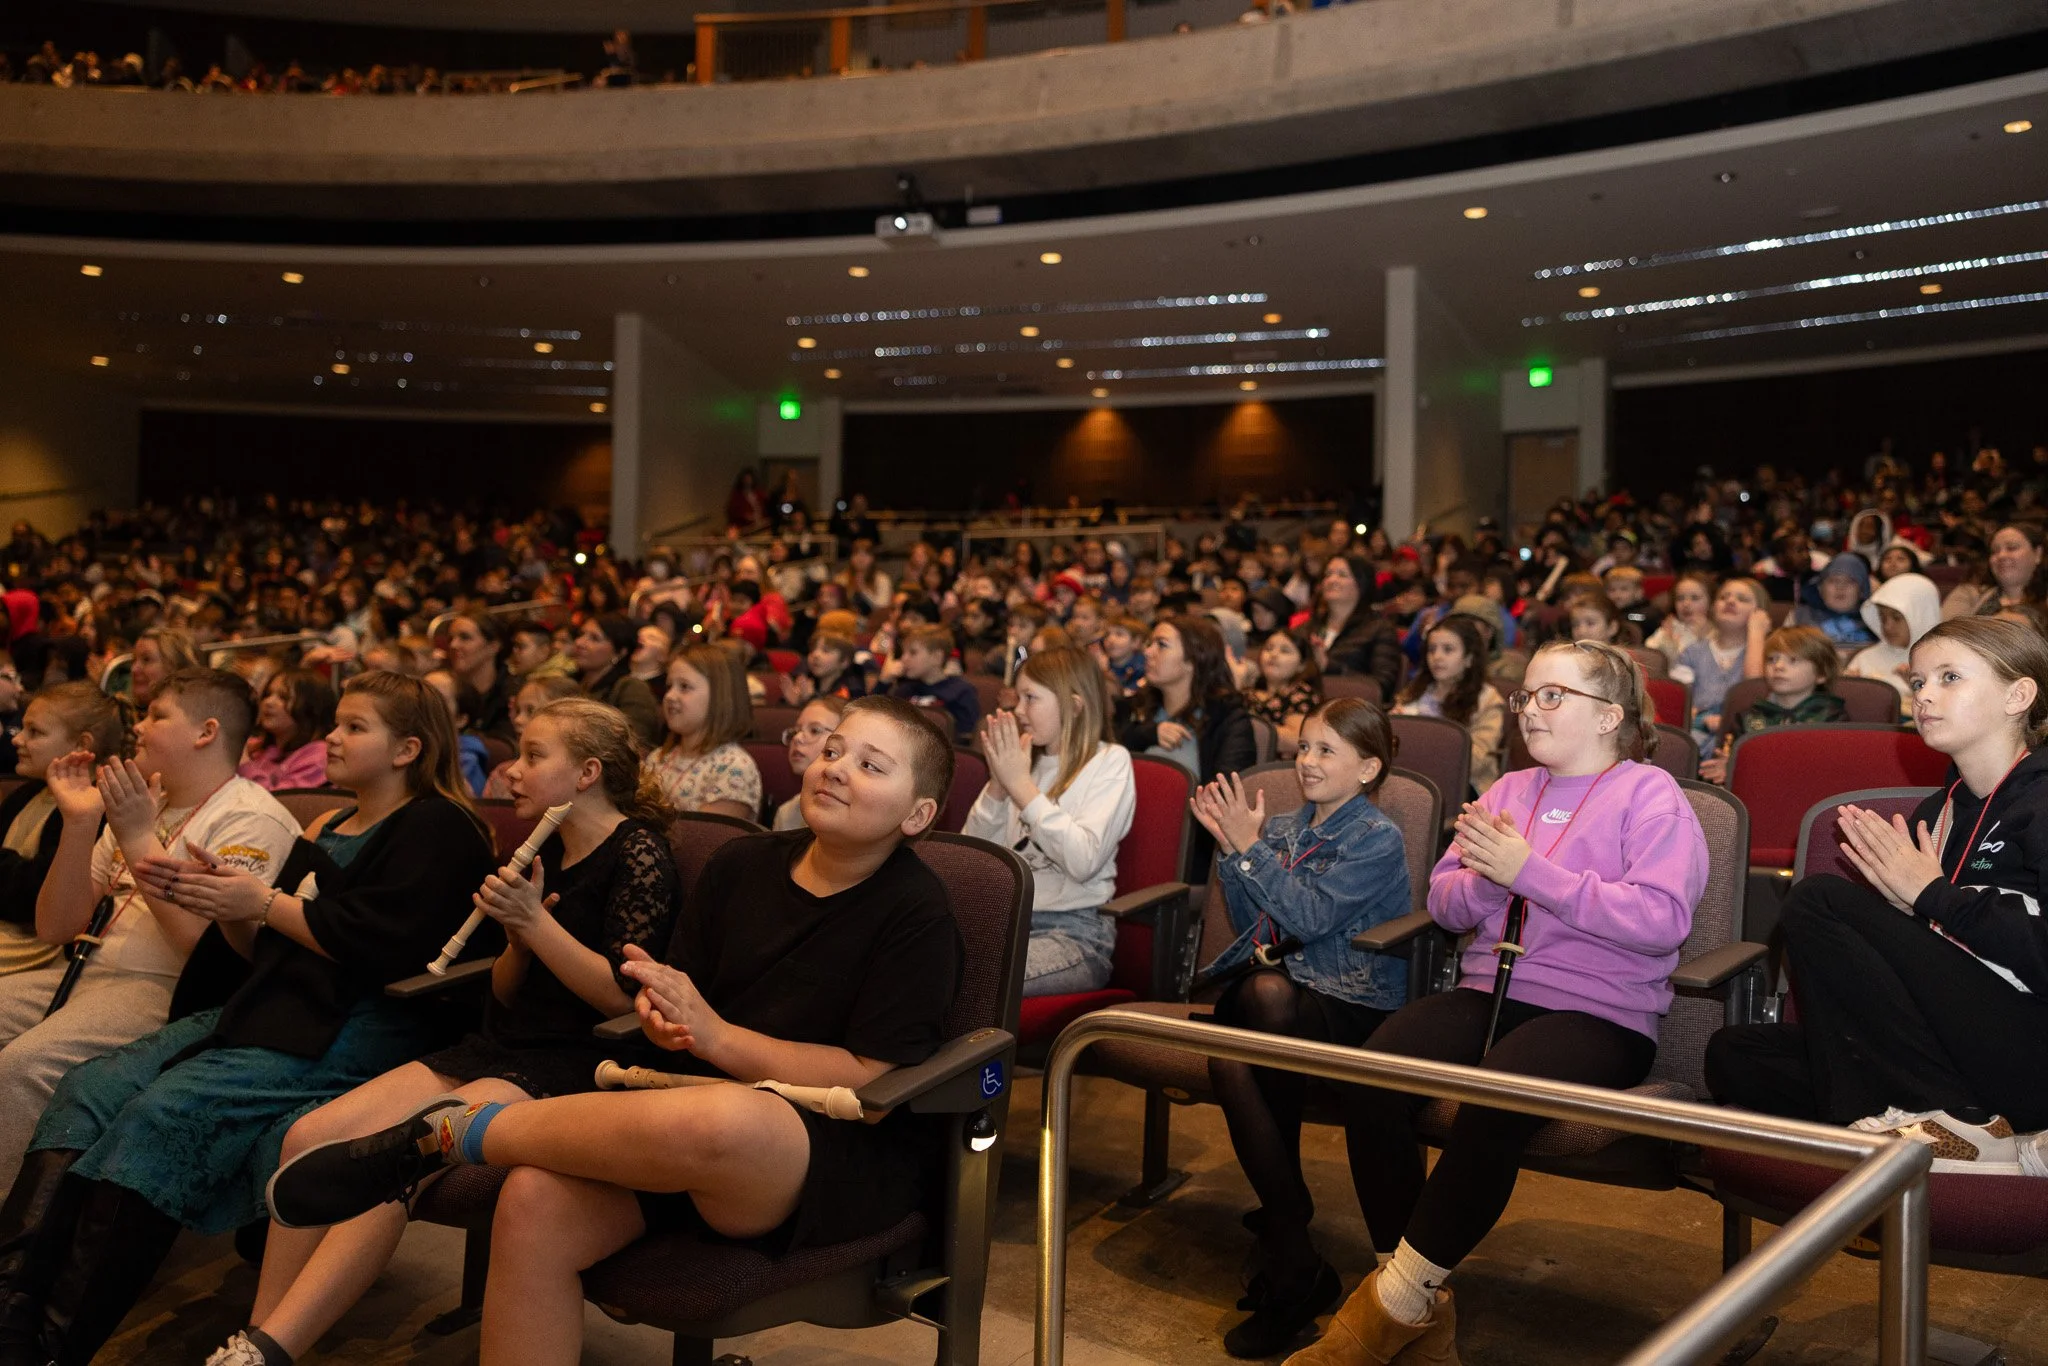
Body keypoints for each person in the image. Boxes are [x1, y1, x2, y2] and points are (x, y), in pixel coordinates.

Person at [261, 697, 964, 1366]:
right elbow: (673, 1002)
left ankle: (447, 1134)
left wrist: (715, 1038)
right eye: (832, 751)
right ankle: (441, 1139)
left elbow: (872, 1074)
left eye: (870, 765)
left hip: (823, 1144)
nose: (835, 766)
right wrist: (667, 1022)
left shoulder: (918, 911)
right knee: (534, 1195)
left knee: (735, 1120)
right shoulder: (741, 866)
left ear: (919, 813)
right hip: (682, 1110)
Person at [0, 671, 494, 1366]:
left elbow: (383, 945)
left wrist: (258, 902)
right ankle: (12, 1307)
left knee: (163, 1112)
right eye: (337, 723)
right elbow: (261, 949)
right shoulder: (326, 823)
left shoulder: (442, 827)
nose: (332, 736)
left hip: (357, 1025)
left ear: (409, 749)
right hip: (274, 1005)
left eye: (354, 727)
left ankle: (50, 1346)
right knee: (90, 1086)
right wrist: (231, 906)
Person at [207, 699, 681, 1366]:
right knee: (310, 1135)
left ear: (587, 774)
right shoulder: (542, 850)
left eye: (534, 756)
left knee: (401, 1158)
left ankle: (270, 1350)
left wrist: (535, 925)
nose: (511, 770)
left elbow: (623, 1000)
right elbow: (507, 989)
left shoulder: (640, 854)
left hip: (581, 1064)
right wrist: (516, 933)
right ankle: (262, 1324)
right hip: (504, 1044)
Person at [1286, 640, 1707, 1365]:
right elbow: (1447, 907)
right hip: (1490, 993)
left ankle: (1385, 1311)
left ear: (1610, 716)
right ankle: (1408, 1293)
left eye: (1553, 696)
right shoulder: (1509, 790)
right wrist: (1489, 879)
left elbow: (1662, 920)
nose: (1530, 709)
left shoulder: (1651, 796)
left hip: (1600, 1014)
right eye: (1526, 695)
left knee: (1495, 1097)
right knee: (1373, 1072)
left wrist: (1529, 872)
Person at [1704, 617, 2048, 1173]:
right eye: (1917, 682)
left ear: (2018, 694)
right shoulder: (1940, 812)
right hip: (1951, 1048)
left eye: (1950, 677)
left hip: (2028, 1047)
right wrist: (1905, 916)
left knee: (1818, 899)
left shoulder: (2043, 800)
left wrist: (1931, 894)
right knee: (1737, 1056)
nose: (1925, 695)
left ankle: (1936, 1129)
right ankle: (1937, 1124)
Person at [0, 669, 299, 1190]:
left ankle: (15, 1242)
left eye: (157, 715)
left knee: (24, 1065)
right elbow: (55, 926)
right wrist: (78, 823)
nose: (138, 726)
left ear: (206, 732)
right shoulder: (147, 802)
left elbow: (210, 956)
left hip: (167, 992)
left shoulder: (253, 819)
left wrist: (137, 837)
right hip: (79, 971)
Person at [1192, 699, 1411, 1358]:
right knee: (1245, 1030)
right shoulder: (1282, 826)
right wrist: (1235, 850)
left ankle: (1291, 1248)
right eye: (1305, 747)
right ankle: (1293, 1246)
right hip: (1285, 998)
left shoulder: (1377, 837)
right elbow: (1252, 921)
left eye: (1326, 751)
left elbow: (1310, 920)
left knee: (1254, 1011)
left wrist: (1249, 847)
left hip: (1353, 1002)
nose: (1307, 762)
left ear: (1368, 768)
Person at [965, 646, 1134, 997]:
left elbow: (1083, 860)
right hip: (1007, 926)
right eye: (1019, 698)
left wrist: (1022, 788)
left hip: (1075, 935)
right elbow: (975, 865)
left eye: (1031, 698)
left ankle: (984, 1055)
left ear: (1073, 705)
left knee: (971, 980)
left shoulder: (1110, 762)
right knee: (918, 963)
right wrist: (998, 787)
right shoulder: (1025, 763)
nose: (1018, 710)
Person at [0, 685, 126, 980]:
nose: (17, 739)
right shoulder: (27, 793)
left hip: (36, 952)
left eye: (35, 732)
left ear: (81, 744)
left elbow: (33, 894)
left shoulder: (94, 810)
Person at [1699, 626, 1850, 783]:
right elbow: (1731, 762)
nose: (1778, 666)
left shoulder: (1833, 719)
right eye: (1772, 659)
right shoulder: (1748, 716)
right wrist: (1731, 767)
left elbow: (1833, 772)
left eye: (1793, 660)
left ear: (1821, 673)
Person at [642, 644, 761, 821]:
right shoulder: (659, 757)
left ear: (720, 697)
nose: (669, 696)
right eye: (669, 686)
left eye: (684, 686)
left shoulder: (733, 768)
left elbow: (704, 842)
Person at [1393, 615, 1507, 796]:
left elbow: (1475, 762)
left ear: (1469, 658)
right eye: (1431, 649)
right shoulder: (1415, 691)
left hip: (1461, 788)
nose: (1437, 657)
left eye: (1448, 650)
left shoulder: (1488, 700)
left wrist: (1425, 738)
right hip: (1408, 778)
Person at [1672, 577, 1770, 756]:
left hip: (1743, 734)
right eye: (1724, 597)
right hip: (1696, 733)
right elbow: (1677, 704)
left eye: (1742, 599)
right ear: (1713, 607)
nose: (1731, 601)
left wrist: (1757, 633)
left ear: (1760, 613)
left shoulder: (1768, 654)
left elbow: (1753, 688)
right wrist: (1700, 719)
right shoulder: (1692, 652)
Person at [1310, 556, 1402, 700]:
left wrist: (1329, 666)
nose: (1332, 580)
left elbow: (1382, 686)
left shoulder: (1379, 629)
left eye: (1342, 575)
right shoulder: (1310, 627)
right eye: (1328, 574)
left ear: (1362, 583)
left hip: (1351, 713)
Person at [484, 674, 584, 799]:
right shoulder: (503, 773)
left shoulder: (572, 775)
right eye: (517, 710)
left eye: (531, 711)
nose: (518, 720)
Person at [239, 669, 339, 792]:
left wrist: (243, 763)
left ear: (310, 707)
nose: (268, 702)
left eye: (283, 697)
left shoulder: (319, 755)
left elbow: (281, 803)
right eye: (268, 694)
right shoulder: (259, 748)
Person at [571, 615, 661, 747]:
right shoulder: (572, 682)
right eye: (581, 634)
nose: (579, 642)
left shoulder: (631, 688)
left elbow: (634, 743)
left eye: (594, 638)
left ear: (620, 652)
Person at [888, 625, 980, 743]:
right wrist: (883, 682)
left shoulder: (962, 692)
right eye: (903, 652)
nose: (904, 658)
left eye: (913, 653)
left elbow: (965, 737)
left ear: (937, 657)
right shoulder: (903, 690)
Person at [772, 696, 847, 831]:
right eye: (796, 731)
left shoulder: (854, 813)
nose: (797, 738)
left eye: (814, 730)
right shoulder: (787, 813)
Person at [1943, 524, 2046, 620]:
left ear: (2038, 553)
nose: (2001, 556)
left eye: (2011, 548)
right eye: (1995, 551)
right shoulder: (1970, 594)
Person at [1246, 630, 1321, 759]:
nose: (1273, 654)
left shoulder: (1301, 694)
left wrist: (1243, 728)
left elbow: (1296, 740)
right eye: (1268, 648)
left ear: (1301, 665)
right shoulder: (1247, 692)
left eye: (1285, 651)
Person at [445, 614, 516, 743]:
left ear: (494, 646)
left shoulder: (513, 693)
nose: (453, 645)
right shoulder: (444, 686)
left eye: (465, 637)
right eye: (451, 638)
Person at [1793, 552, 1879, 649]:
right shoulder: (1798, 616)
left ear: (1862, 591)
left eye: (1850, 581)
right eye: (1833, 581)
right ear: (1820, 588)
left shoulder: (1876, 620)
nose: (1840, 587)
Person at [1645, 571, 1714, 666]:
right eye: (1680, 598)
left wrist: (1703, 639)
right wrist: (1667, 642)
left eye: (1695, 598)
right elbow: (1648, 658)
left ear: (1711, 602)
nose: (1686, 604)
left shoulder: (1718, 632)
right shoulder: (1669, 628)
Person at [126, 627, 198, 709]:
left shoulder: (197, 717)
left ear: (174, 666)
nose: (134, 669)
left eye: (146, 660)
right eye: (133, 660)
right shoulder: (122, 715)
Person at [788, 632, 867, 704]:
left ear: (844, 662)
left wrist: (809, 699)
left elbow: (834, 715)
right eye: (812, 650)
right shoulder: (806, 681)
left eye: (825, 651)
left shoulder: (852, 689)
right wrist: (793, 703)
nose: (815, 655)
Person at [506, 621, 575, 681]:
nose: (514, 651)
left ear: (543, 651)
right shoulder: (513, 673)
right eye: (514, 646)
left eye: (521, 646)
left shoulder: (556, 682)